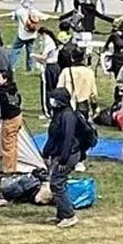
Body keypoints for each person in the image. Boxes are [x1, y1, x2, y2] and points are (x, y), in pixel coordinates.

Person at [41, 88, 81, 229]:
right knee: (59, 183)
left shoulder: (68, 116)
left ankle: (69, 215)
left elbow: (68, 139)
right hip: (59, 154)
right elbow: (53, 137)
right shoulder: (58, 114)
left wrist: (64, 159)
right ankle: (61, 213)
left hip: (68, 155)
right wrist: (46, 153)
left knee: (56, 183)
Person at [0, 69, 23, 173]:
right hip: (18, 116)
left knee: (7, 146)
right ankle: (13, 167)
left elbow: (1, 107)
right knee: (14, 144)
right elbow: (19, 99)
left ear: (5, 79)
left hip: (9, 119)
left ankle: (8, 170)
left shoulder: (2, 92)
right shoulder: (13, 88)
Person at [60, 45, 98, 119]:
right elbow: (93, 93)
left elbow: (59, 89)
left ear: (72, 58)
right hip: (83, 106)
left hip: (68, 106)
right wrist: (95, 107)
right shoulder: (89, 72)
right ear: (83, 59)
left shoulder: (66, 72)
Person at [33, 26, 61, 117]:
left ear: (43, 34)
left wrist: (33, 55)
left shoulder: (48, 41)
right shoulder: (52, 41)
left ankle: (47, 111)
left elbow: (44, 57)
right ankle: (53, 109)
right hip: (55, 66)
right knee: (53, 88)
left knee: (47, 89)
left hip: (49, 67)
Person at [11, 0, 42, 71]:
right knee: (30, 52)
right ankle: (30, 67)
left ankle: (12, 66)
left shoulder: (19, 11)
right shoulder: (34, 11)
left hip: (22, 34)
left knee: (16, 50)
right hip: (32, 35)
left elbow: (14, 18)